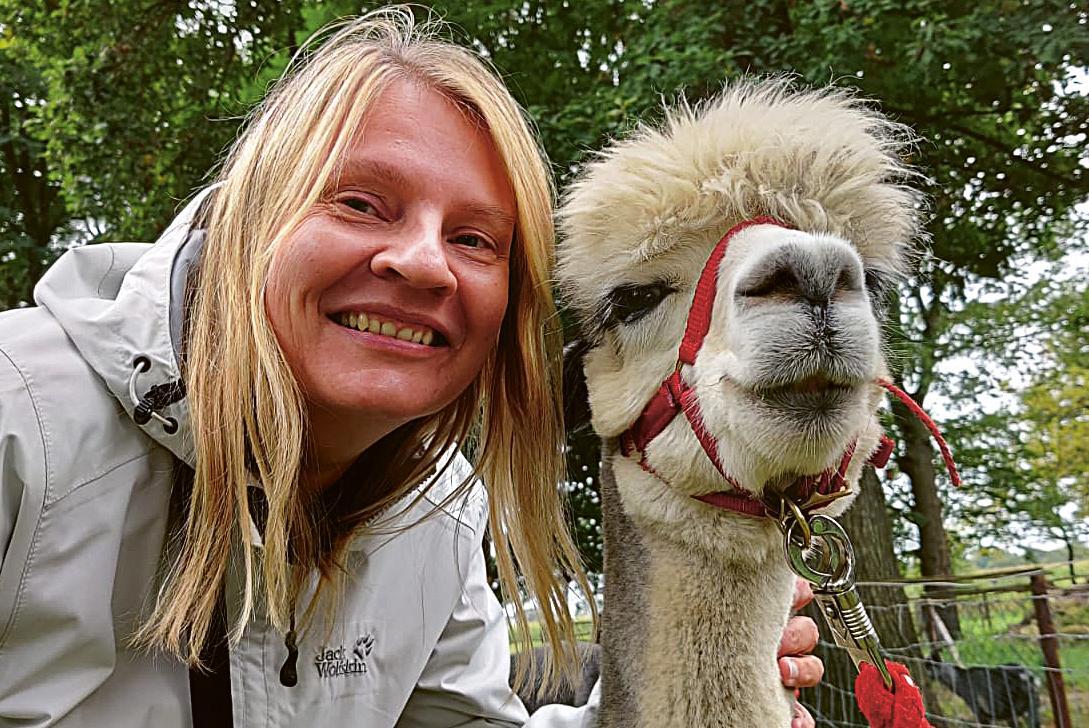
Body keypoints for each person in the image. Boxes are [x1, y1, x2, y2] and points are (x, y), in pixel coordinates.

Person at [0, 7, 822, 727]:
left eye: (474, 239)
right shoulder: (21, 423)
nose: (425, 263)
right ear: (249, 222)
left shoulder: (435, 514)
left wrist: (674, 689)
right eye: (360, 203)